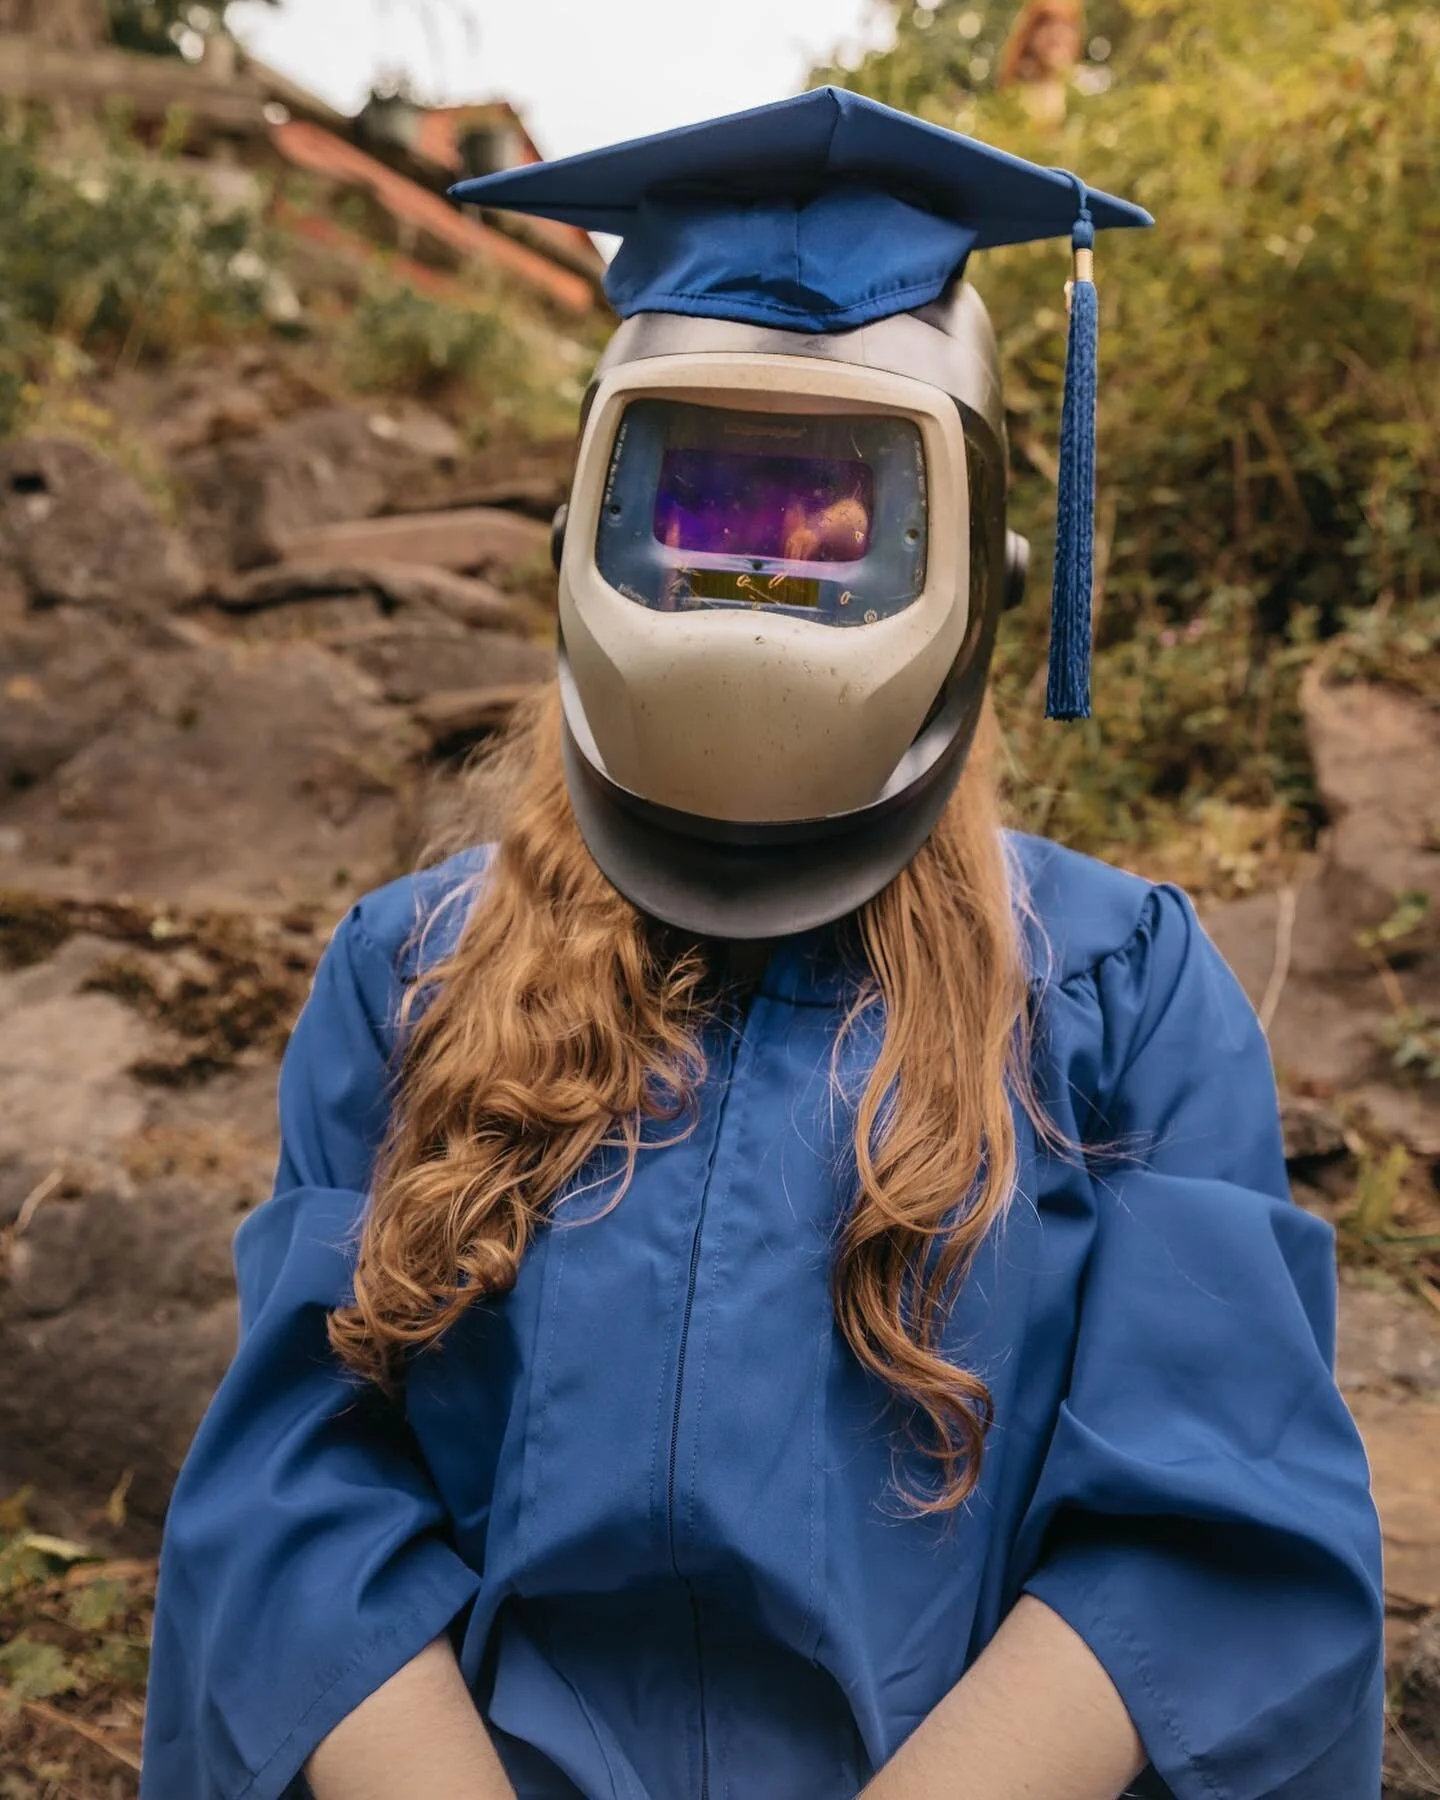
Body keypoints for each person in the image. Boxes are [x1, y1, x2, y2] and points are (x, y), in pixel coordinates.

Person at [141, 87, 1385, 1800]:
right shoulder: (407, 974)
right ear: (582, 529)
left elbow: (1211, 1523)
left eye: (830, 523)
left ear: (979, 558)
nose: (766, 582)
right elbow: (297, 1494)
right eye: (712, 509)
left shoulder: (1123, 994)